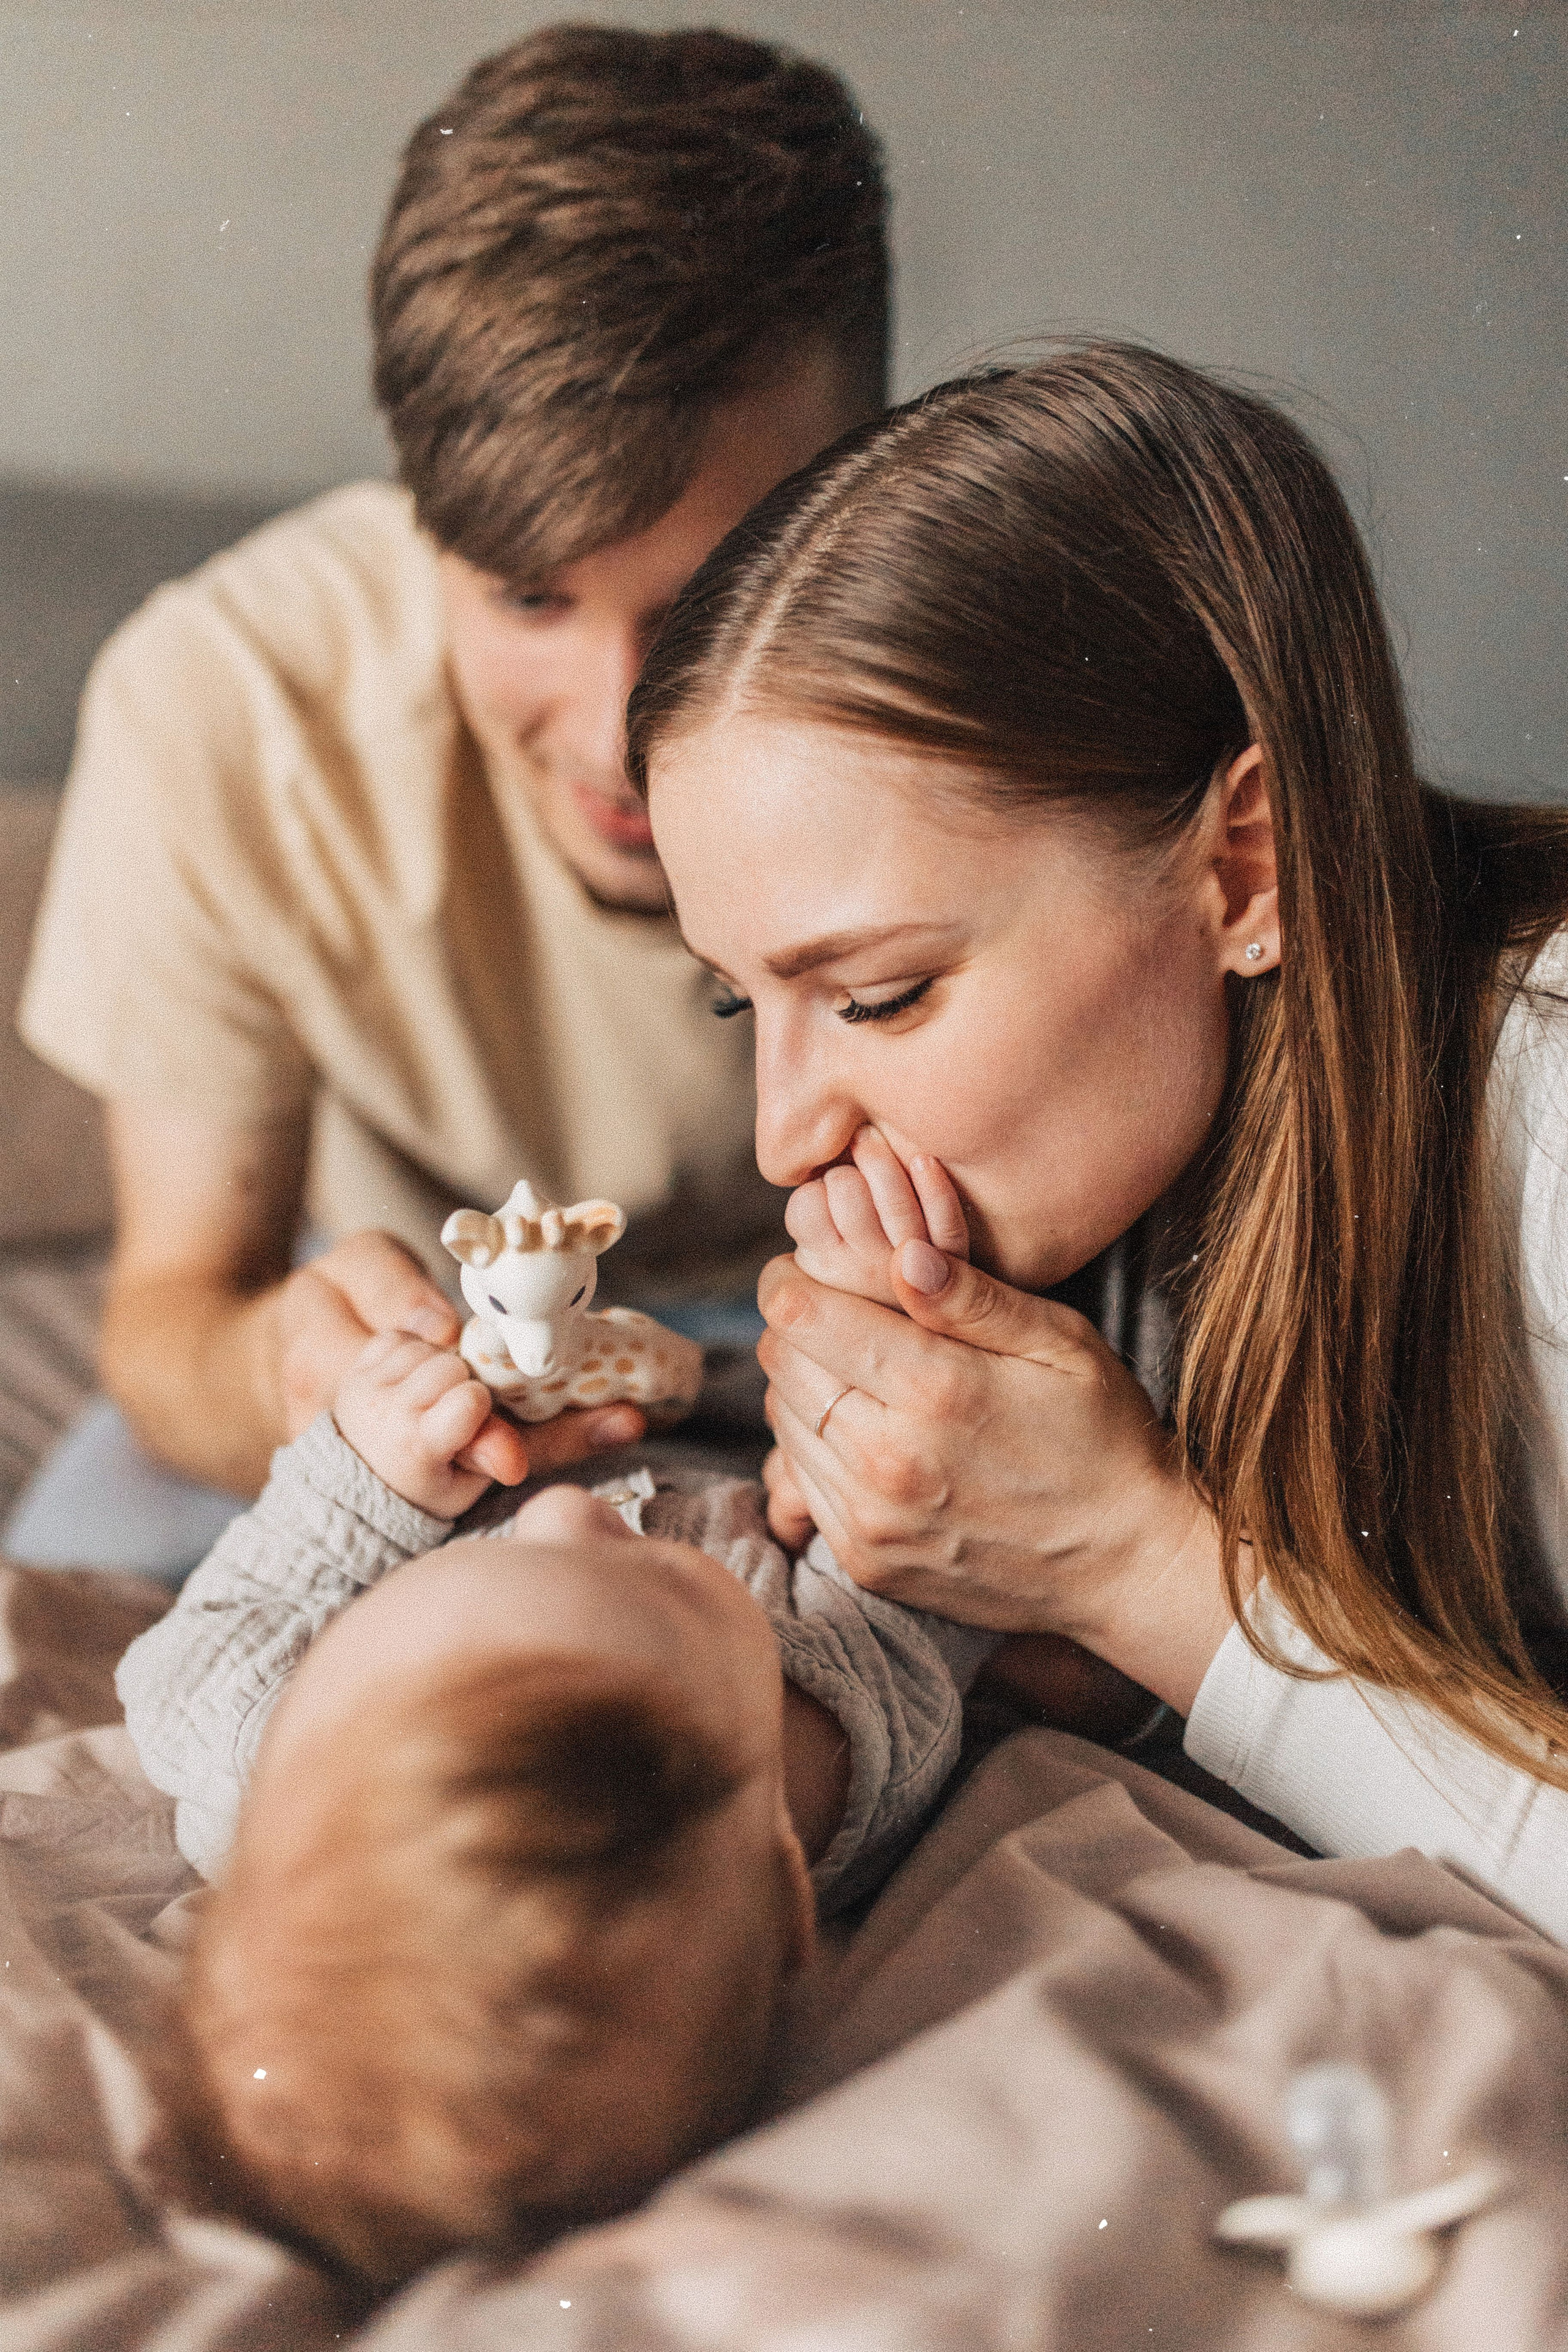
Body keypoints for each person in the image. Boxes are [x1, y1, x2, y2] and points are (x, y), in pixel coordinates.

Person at [623, 339, 1568, 1942]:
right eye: (741, 1006)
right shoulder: (1199, 1164)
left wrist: (1128, 1562)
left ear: (1247, 868)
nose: (786, 1139)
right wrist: (1065, 1640)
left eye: (881, 993)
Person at [11, 25, 886, 1574]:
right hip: (403, 1337)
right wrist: (296, 1369)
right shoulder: (224, 701)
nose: (623, 743)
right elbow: (172, 1314)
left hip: (836, 1333)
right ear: (425, 518)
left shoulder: (975, 677)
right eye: (530, 600)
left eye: (714, 598)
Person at [119, 1212, 998, 2282]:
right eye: (656, 1582)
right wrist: (854, 1485)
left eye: (470, 1572)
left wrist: (365, 1485)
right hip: (742, 1400)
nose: (573, 1520)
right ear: (781, 1881)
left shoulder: (251, 1755)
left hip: (509, 1352)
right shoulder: (846, 1739)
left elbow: (224, 1630)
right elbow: (932, 1558)